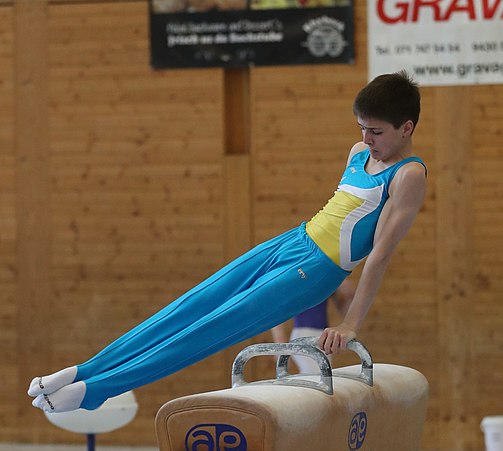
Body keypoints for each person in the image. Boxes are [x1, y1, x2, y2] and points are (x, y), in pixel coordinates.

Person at [29, 71, 427, 413]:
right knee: (190, 306)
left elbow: (378, 256)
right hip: (293, 240)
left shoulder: (408, 176)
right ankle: (87, 370)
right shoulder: (358, 152)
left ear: (406, 127)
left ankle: (99, 390)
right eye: (362, 128)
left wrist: (350, 323)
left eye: (376, 131)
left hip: (317, 270)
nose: (366, 138)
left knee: (211, 327)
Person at [270, 279, 355, 372]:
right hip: (303, 337)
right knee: (317, 377)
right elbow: (276, 309)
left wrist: (349, 295)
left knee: (322, 377)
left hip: (324, 338)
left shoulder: (326, 278)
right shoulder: (300, 276)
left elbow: (344, 308)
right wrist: (280, 341)